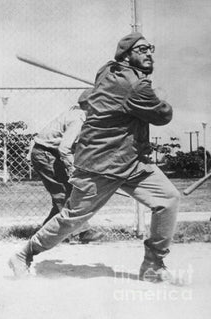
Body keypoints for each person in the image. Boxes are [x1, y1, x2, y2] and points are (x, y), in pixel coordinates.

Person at [9, 32, 180, 283]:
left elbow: (110, 78)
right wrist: (160, 96)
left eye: (150, 48)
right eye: (141, 49)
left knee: (168, 199)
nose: (148, 53)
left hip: (132, 160)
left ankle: (153, 263)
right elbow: (163, 115)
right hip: (102, 163)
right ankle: (23, 254)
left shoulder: (107, 71)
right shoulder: (136, 86)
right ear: (126, 55)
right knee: (73, 218)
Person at [30, 88, 103, 243]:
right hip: (45, 154)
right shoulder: (78, 118)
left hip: (49, 153)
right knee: (64, 194)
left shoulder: (76, 113)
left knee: (64, 195)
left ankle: (45, 234)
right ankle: (82, 233)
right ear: (90, 105)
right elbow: (65, 148)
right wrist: (72, 169)